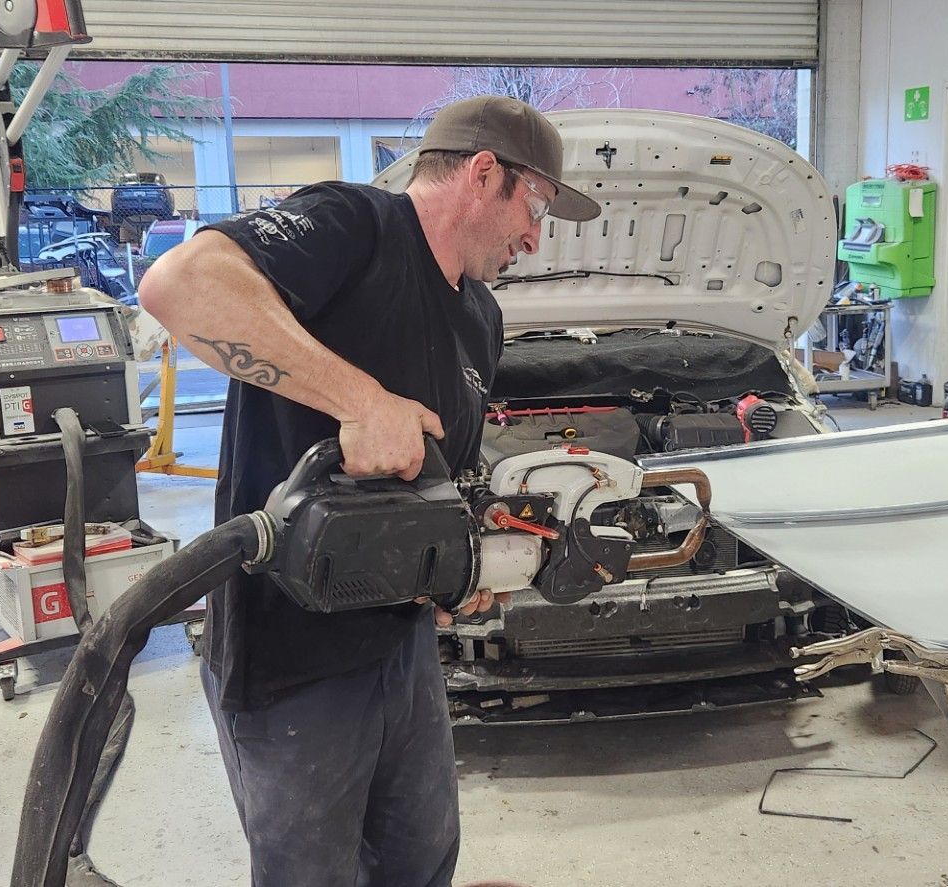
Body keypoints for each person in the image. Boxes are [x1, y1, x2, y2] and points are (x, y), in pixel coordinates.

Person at [136, 95, 601, 887]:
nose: (535, 235)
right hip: (291, 659)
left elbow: (435, 483)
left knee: (421, 860)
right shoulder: (353, 226)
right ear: (483, 173)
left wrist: (458, 570)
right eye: (537, 203)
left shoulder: (480, 319)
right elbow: (179, 284)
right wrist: (358, 399)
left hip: (405, 649)